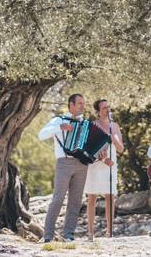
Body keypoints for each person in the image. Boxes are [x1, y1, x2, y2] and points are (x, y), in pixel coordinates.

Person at [38, 93, 103, 242]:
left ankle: (68, 235)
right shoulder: (58, 120)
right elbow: (41, 135)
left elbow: (90, 146)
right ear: (71, 105)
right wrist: (59, 128)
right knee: (58, 199)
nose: (82, 106)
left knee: (75, 201)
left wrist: (98, 153)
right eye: (80, 103)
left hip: (81, 164)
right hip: (64, 163)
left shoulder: (85, 124)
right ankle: (47, 236)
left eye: (83, 103)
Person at [84, 99, 124, 239]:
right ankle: (90, 232)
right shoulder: (93, 125)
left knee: (110, 197)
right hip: (96, 164)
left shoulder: (115, 126)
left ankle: (109, 231)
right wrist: (102, 159)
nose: (108, 109)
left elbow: (120, 149)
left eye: (109, 107)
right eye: (104, 107)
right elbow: (87, 148)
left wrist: (113, 137)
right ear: (98, 111)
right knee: (92, 197)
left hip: (111, 164)